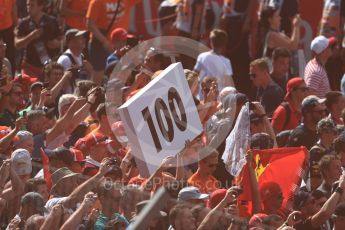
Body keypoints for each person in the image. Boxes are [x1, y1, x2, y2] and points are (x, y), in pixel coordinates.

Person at [14, 0, 62, 79]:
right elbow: (17, 44)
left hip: (49, 67)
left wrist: (57, 44)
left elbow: (62, 39)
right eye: (28, 5)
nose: (28, 8)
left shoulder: (52, 21)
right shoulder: (23, 23)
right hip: (29, 66)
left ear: (41, 6)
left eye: (32, 5)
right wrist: (30, 36)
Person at [194, 29, 234, 100]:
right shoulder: (226, 62)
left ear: (211, 42)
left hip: (202, 96)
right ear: (224, 44)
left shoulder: (202, 56)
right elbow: (228, 83)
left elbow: (194, 75)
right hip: (218, 98)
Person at [0, 0, 17, 75]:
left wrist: (16, 26)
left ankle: (10, 78)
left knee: (10, 56)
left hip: (8, 28)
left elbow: (14, 7)